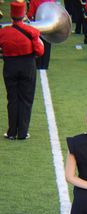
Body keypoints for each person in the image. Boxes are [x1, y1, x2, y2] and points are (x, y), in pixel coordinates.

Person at [0, 1, 44, 140]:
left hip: (10, 66)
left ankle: (11, 132)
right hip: (27, 66)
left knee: (12, 98)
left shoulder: (3, 32)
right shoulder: (32, 31)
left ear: (11, 16)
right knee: (26, 99)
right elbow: (40, 51)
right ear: (24, 15)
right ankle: (23, 132)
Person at [27, 0, 55, 69]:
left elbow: (30, 15)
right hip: (49, 26)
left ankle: (38, 64)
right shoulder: (52, 1)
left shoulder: (34, 1)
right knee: (47, 45)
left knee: (38, 44)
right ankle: (45, 64)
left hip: (38, 26)